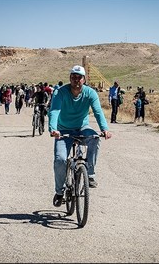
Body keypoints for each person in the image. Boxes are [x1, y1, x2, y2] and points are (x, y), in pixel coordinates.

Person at [48, 65, 112, 207]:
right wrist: (53, 129)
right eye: (73, 77)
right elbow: (54, 111)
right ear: (70, 78)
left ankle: (89, 174)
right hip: (63, 130)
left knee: (95, 139)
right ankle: (59, 192)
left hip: (82, 128)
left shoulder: (90, 93)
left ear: (84, 79)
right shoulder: (60, 92)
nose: (76, 80)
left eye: (79, 77)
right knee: (60, 160)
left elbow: (98, 112)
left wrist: (104, 129)